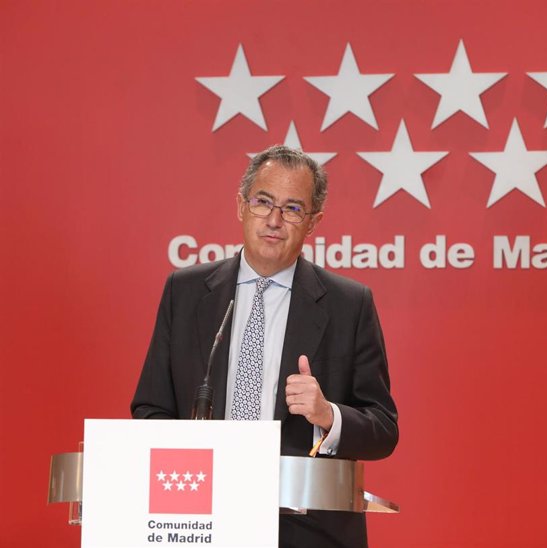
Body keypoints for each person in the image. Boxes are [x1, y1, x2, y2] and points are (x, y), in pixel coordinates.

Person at [131, 145, 398, 547]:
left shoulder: (349, 304)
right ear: (241, 206)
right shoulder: (184, 293)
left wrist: (328, 415)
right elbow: (150, 409)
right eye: (263, 202)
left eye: (293, 209)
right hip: (201, 523)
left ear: (313, 222)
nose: (274, 220)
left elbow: (383, 429)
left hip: (308, 532)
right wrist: (196, 463)